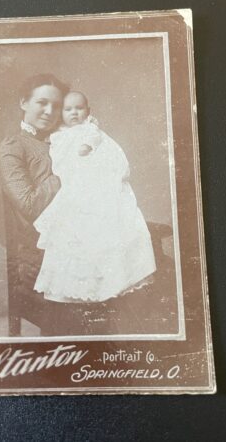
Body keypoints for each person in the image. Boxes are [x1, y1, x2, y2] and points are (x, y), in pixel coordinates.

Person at [33, 91, 156, 303]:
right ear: (61, 113)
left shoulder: (89, 129)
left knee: (98, 224)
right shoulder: (61, 133)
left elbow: (94, 138)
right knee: (71, 229)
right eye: (68, 109)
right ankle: (77, 287)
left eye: (79, 109)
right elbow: (59, 154)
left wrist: (86, 146)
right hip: (74, 183)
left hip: (91, 180)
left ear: (88, 111)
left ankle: (109, 282)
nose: (74, 113)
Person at [0, 74, 69, 334]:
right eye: (42, 102)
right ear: (23, 102)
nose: (50, 111)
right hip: (38, 251)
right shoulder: (13, 146)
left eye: (57, 105)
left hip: (78, 238)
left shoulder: (67, 140)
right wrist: (67, 172)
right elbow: (28, 205)